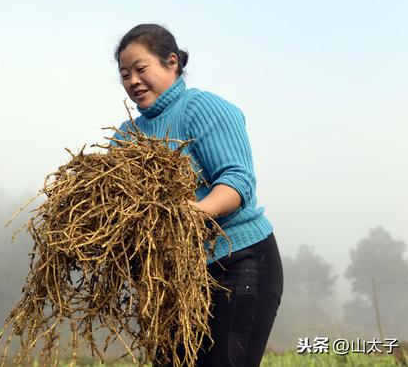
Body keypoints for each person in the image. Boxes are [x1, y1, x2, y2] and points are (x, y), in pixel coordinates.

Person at [110, 23, 284, 367]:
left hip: (237, 263)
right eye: (125, 74)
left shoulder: (202, 108)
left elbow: (237, 181)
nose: (132, 81)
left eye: (141, 69)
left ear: (171, 62)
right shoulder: (126, 136)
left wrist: (193, 213)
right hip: (173, 281)